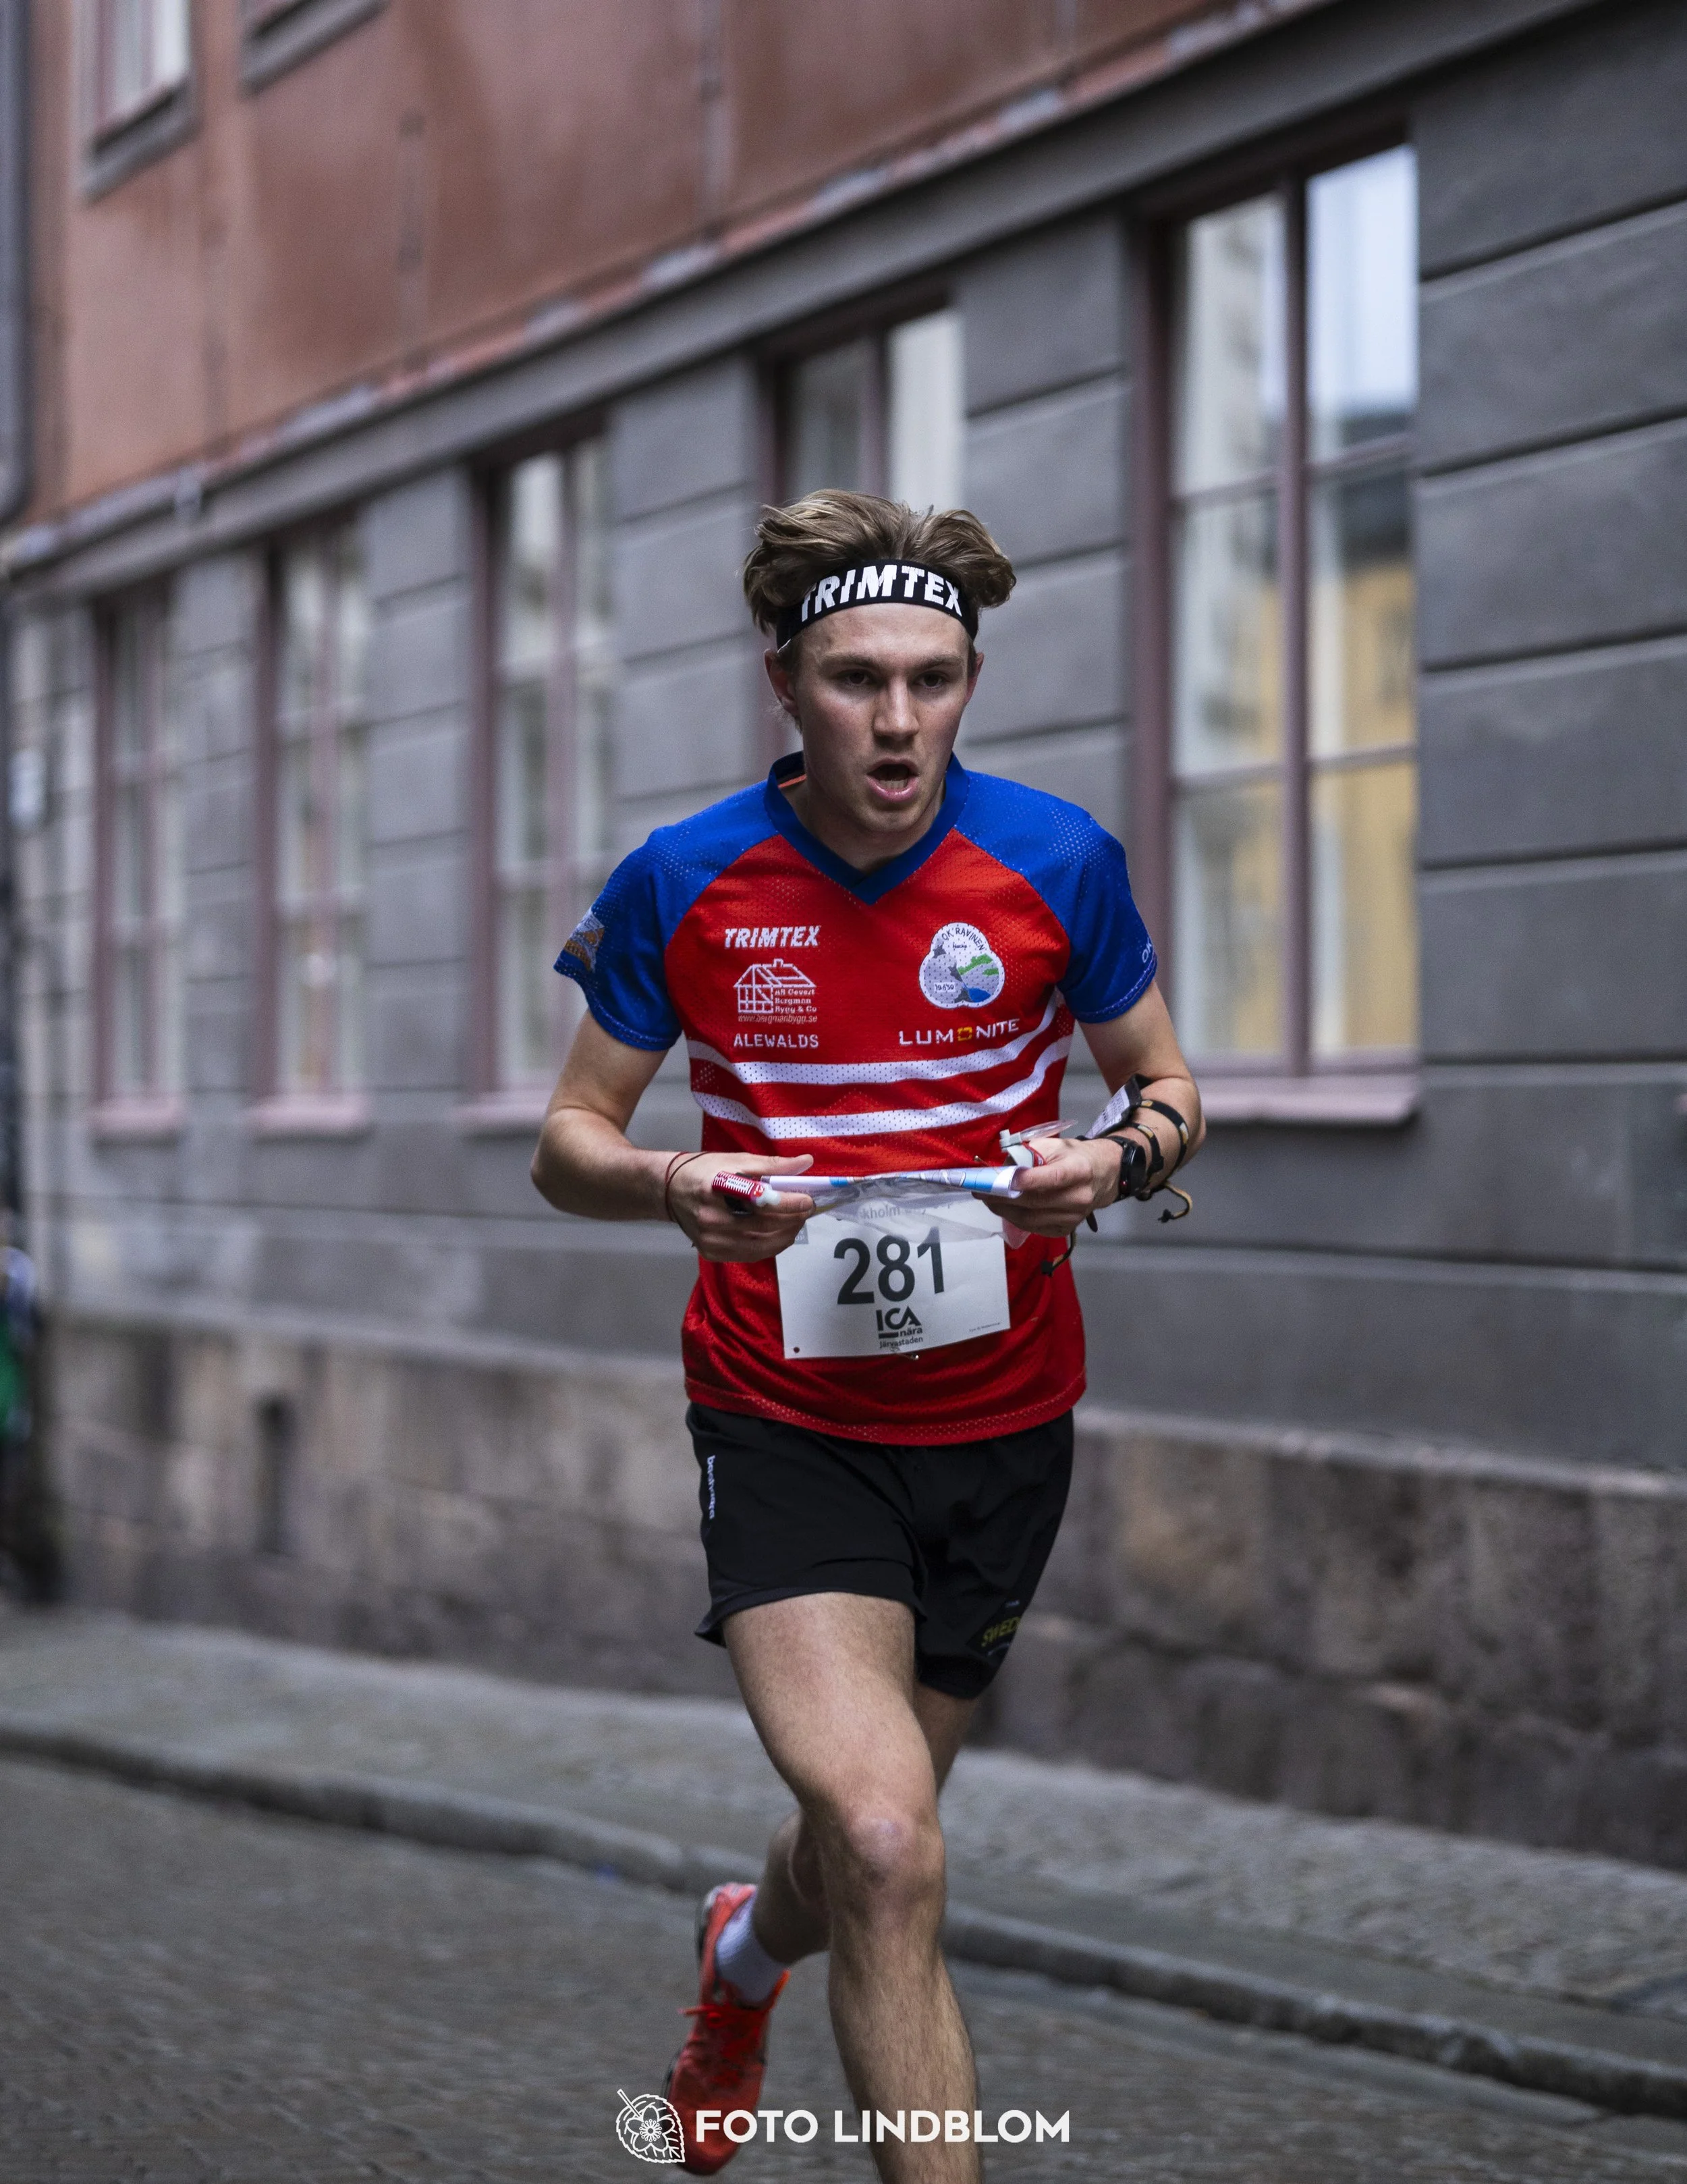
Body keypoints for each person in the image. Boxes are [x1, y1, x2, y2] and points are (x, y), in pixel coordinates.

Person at [531, 489, 1202, 2181]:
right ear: (784, 683)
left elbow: (1169, 1089)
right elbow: (568, 1143)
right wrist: (678, 1179)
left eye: (930, 677)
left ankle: (742, 1952)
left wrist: (1105, 1167)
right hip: (783, 1418)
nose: (895, 720)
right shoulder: (683, 880)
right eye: (852, 679)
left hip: (1001, 1423)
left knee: (863, 1843)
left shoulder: (1056, 859)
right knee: (893, 1838)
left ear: (967, 678)